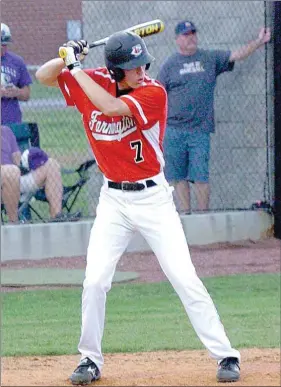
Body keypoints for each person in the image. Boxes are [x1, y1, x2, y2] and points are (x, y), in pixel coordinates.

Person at [36, 33, 241, 385]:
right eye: (132, 67)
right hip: (113, 201)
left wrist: (75, 67)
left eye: (143, 62)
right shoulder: (95, 79)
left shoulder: (154, 92)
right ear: (115, 71)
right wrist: (69, 53)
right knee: (96, 280)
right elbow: (44, 75)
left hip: (153, 199)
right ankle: (89, 359)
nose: (141, 70)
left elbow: (111, 108)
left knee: (182, 276)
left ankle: (226, 354)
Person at [157, 21, 271, 213]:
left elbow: (237, 55)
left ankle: (203, 216)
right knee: (178, 177)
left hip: (200, 131)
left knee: (200, 176)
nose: (191, 37)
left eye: (193, 33)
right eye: (186, 34)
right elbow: (158, 93)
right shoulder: (170, 64)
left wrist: (259, 41)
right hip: (173, 130)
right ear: (177, 40)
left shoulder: (209, 58)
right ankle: (187, 215)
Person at [1, 124, 64, 222]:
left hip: (14, 178)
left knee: (52, 165)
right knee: (10, 171)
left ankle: (57, 217)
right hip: (6, 175)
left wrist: (24, 164)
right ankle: (13, 223)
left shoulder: (6, 131)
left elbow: (17, 159)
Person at [1, 22, 32, 125]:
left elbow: (27, 94)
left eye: (5, 45)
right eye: (1, 45)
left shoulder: (17, 62)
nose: (3, 48)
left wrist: (16, 92)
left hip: (12, 122)